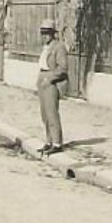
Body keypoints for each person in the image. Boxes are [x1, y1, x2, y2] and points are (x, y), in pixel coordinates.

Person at [35, 21, 69, 155]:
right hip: (42, 77)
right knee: (44, 114)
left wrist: (50, 78)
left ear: (53, 34)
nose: (45, 36)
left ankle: (57, 142)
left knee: (52, 112)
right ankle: (48, 141)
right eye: (43, 33)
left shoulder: (59, 47)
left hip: (51, 80)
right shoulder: (45, 47)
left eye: (47, 33)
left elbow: (63, 68)